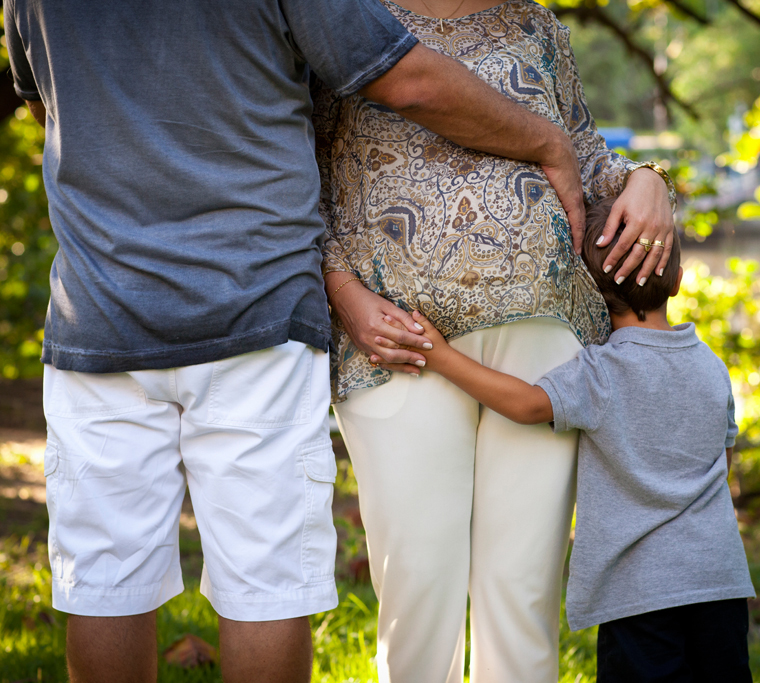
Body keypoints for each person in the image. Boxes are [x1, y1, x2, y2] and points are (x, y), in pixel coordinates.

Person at [3, 0, 598, 680]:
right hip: (255, 310)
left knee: (106, 583)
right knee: (266, 586)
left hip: (103, 309)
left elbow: (48, 106)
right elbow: (404, 79)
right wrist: (547, 141)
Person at [313, 1, 677, 680]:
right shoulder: (349, 22)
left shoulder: (536, 27)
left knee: (524, 587)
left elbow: (586, 153)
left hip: (544, 336)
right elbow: (305, 178)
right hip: (399, 342)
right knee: (417, 584)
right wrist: (345, 295)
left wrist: (650, 182)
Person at [413, 196, 757, 683]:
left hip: (639, 590)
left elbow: (528, 403)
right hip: (719, 579)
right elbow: (719, 458)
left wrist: (443, 357)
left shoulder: (602, 372)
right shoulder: (712, 368)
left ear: (593, 293)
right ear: (678, 281)